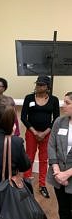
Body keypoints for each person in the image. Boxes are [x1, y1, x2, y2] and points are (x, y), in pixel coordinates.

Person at [21, 75, 60, 198]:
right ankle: (27, 184)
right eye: (37, 84)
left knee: (44, 160)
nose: (38, 86)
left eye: (41, 85)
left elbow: (56, 118)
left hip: (47, 134)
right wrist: (35, 132)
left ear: (47, 87)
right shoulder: (29, 98)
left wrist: (44, 132)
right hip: (32, 133)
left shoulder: (54, 100)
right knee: (29, 158)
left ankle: (42, 185)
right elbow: (23, 117)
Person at [47, 91, 72, 219]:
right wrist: (56, 170)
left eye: (67, 103)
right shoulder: (59, 121)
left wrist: (67, 174)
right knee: (63, 210)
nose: (63, 106)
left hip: (69, 175)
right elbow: (51, 145)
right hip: (58, 176)